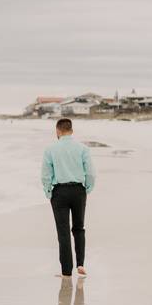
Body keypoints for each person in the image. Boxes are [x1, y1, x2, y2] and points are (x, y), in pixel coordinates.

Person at [40, 118, 96, 277]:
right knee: (79, 228)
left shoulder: (50, 149)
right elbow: (91, 172)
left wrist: (48, 192)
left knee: (63, 232)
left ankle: (66, 271)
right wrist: (87, 189)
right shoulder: (83, 148)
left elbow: (45, 175)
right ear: (71, 130)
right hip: (78, 191)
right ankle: (80, 264)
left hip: (59, 192)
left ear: (58, 131)